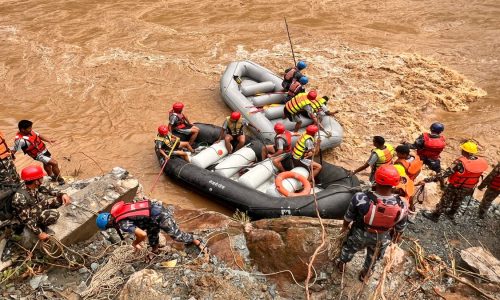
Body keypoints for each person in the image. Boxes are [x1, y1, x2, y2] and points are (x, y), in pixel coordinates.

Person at [337, 165, 408, 281]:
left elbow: (348, 217)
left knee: (349, 248)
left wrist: (344, 228)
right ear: (395, 183)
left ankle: (342, 265)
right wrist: (395, 239)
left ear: (376, 179)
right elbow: (400, 228)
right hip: (382, 237)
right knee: (373, 258)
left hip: (360, 233)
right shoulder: (403, 204)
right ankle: (365, 275)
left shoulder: (360, 197)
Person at [95, 199, 207, 254]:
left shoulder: (122, 224)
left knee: (176, 236)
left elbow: (141, 234)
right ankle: (155, 250)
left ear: (109, 226)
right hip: (151, 215)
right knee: (152, 233)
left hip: (159, 215)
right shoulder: (118, 211)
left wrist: (135, 243)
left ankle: (195, 240)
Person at [419, 141, 488, 222]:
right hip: (468, 187)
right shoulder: (481, 162)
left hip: (456, 185)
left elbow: (444, 174)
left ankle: (435, 216)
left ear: (465, 151)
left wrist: (426, 180)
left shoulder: (460, 163)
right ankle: (451, 214)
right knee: (458, 200)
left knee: (445, 200)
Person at [11, 165, 71, 240]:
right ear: (36, 181)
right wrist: (39, 233)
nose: (42, 179)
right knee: (54, 214)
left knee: (58, 200)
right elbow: (26, 219)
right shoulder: (20, 199)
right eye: (41, 178)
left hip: (34, 207)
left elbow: (47, 190)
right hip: (27, 217)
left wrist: (62, 194)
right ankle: (41, 226)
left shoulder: (31, 185)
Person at [12, 120, 65, 185]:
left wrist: (48, 140)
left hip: (44, 150)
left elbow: (39, 135)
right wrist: (10, 157)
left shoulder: (30, 132)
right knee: (55, 163)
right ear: (23, 130)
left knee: (46, 164)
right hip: (38, 155)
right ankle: (59, 178)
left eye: (31, 127)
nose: (31, 129)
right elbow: (14, 149)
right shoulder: (20, 141)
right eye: (29, 128)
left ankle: (51, 176)